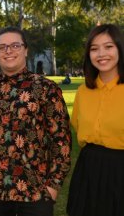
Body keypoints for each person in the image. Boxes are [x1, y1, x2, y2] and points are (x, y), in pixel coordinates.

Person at [0, 26, 71, 216]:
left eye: (15, 45)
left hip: (35, 195)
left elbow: (61, 141)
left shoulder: (46, 89)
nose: (8, 51)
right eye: (2, 47)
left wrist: (52, 188)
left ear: (26, 50)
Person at [67, 24, 124, 216]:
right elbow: (77, 125)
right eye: (94, 48)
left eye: (108, 47)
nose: (101, 54)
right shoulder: (83, 91)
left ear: (119, 49)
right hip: (88, 170)